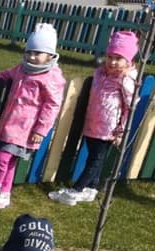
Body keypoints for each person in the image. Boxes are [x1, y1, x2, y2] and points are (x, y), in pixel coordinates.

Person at [0, 23, 65, 212]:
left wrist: (41, 129)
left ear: (50, 55)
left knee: (2, 158)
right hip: (9, 124)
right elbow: (6, 74)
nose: (31, 57)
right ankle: (4, 194)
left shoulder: (51, 77)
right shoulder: (22, 69)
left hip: (25, 128)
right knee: (9, 161)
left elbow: (52, 105)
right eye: (29, 52)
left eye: (37, 53)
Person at [49, 30, 138, 206]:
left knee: (95, 160)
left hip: (109, 128)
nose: (112, 62)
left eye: (118, 58)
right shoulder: (101, 74)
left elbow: (130, 107)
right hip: (93, 124)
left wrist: (120, 130)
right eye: (110, 56)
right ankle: (91, 188)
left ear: (128, 61)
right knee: (92, 157)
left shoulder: (125, 79)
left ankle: (76, 190)